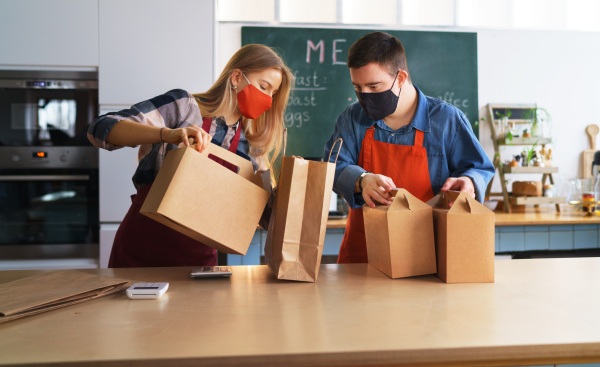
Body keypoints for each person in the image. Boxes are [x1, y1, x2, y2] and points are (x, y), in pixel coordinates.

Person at [88, 44, 293, 268]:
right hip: (142, 246)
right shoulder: (184, 108)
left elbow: (263, 219)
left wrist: (290, 187)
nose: (268, 100)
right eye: (264, 87)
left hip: (198, 258)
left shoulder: (251, 147)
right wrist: (168, 134)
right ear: (236, 77)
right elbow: (100, 129)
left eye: (273, 94)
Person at [323, 31, 494, 264]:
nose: (365, 96)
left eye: (374, 87)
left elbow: (479, 168)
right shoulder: (351, 119)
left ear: (401, 78)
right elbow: (330, 169)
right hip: (365, 254)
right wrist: (361, 179)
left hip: (428, 253)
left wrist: (470, 182)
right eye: (358, 88)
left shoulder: (447, 120)